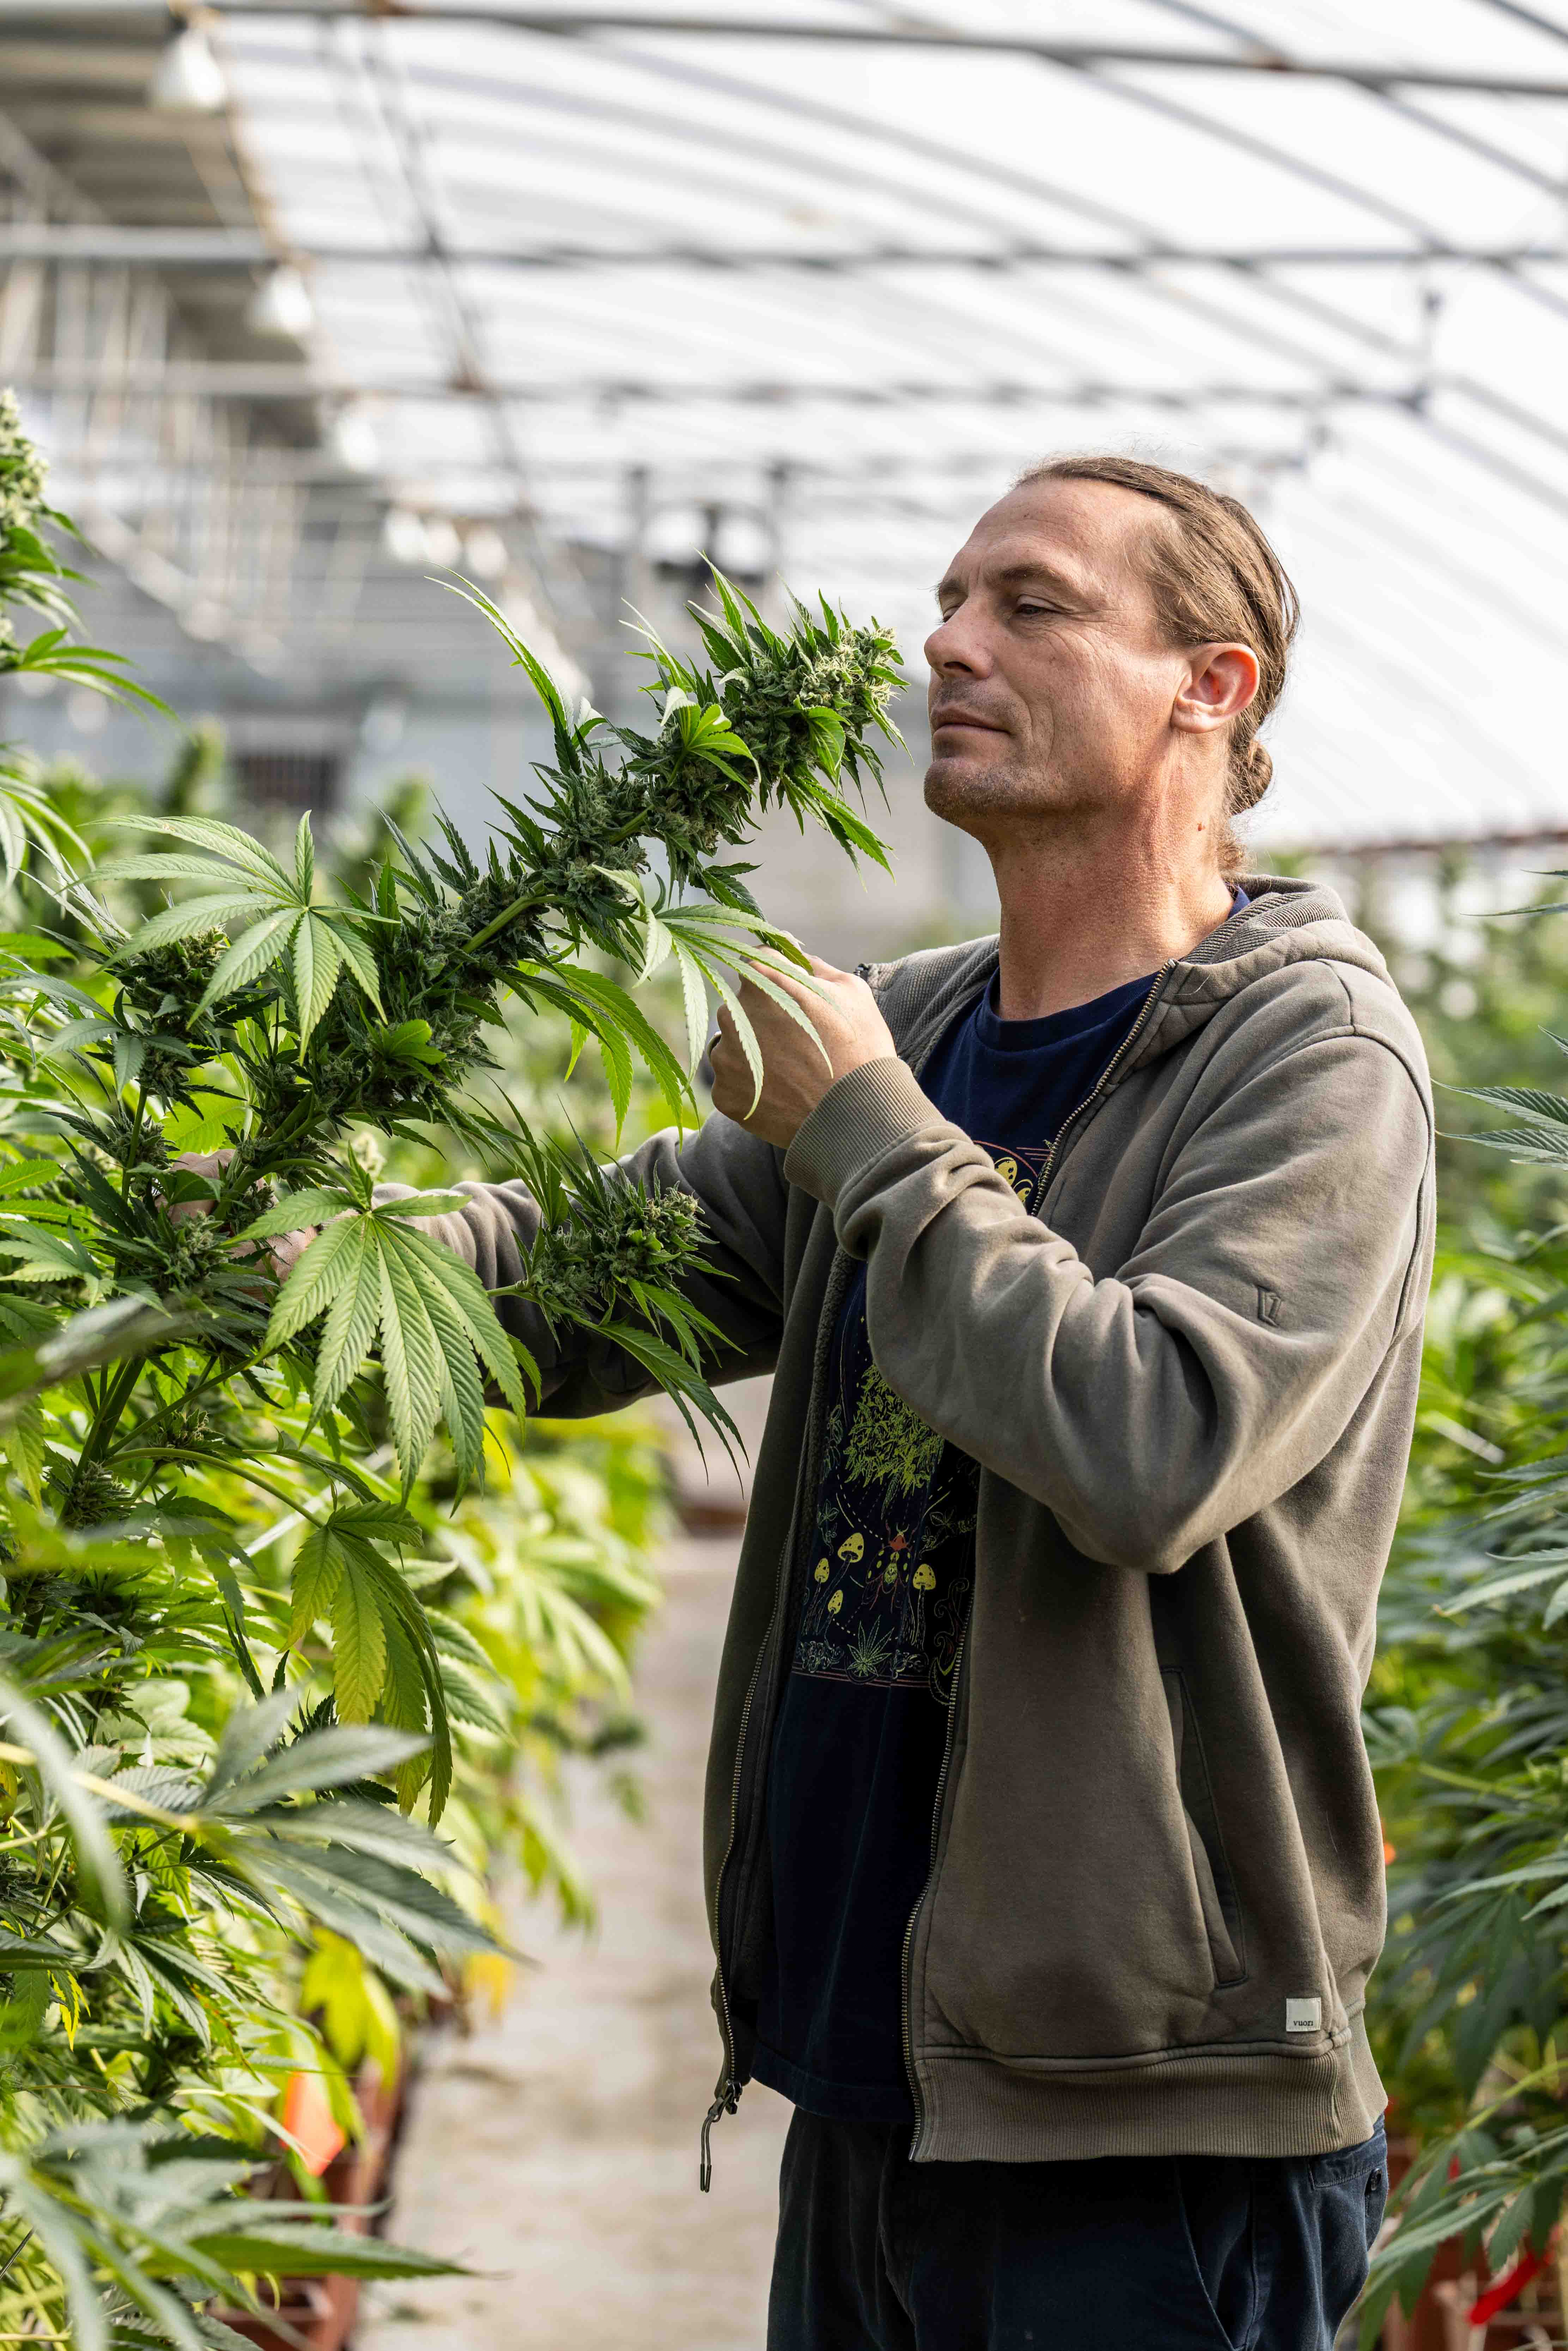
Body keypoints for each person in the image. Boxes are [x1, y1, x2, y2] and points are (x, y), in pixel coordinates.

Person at [409, 458, 1436, 2348]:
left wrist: (871, 1134)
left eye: (1032, 606)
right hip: (884, 2081)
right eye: (951, 600)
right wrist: (256, 1251)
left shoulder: (1312, 1054)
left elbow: (1154, 1442)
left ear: (1208, 686)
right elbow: (565, 1289)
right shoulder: (931, 1018)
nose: (950, 643)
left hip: (1150, 2133)